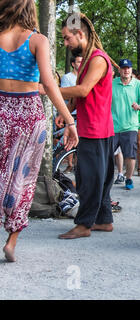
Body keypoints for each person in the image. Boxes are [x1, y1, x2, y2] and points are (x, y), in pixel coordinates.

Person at [0, 0, 78, 262]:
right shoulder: (38, 40)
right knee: (24, 175)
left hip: (1, 108)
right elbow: (48, 82)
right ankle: (11, 241)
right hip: (28, 114)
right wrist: (69, 121)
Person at [56, 12, 118, 239]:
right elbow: (81, 98)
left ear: (80, 34)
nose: (65, 43)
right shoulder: (89, 60)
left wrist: (49, 89)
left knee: (89, 179)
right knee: (99, 177)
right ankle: (104, 220)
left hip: (96, 130)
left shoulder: (98, 59)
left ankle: (83, 225)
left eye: (66, 38)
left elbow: (83, 90)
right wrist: (67, 111)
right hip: (95, 128)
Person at [111, 59, 140, 190]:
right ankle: (108, 179)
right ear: (119, 70)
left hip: (131, 126)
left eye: (128, 68)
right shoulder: (112, 84)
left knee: (130, 155)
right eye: (123, 68)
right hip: (112, 126)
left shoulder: (138, 85)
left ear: (131, 70)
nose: (126, 70)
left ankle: (129, 179)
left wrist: (139, 107)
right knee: (108, 154)